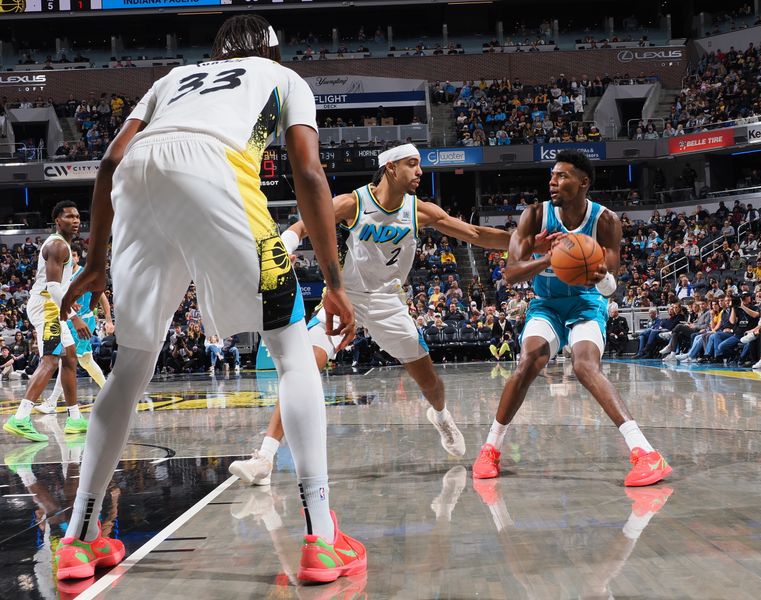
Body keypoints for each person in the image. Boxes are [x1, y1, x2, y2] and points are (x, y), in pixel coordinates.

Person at [54, 15, 363, 585]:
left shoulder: (174, 77)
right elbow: (310, 173)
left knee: (130, 368)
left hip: (139, 180)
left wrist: (96, 262)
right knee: (293, 353)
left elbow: (109, 163)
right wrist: (335, 281)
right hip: (215, 167)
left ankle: (76, 540)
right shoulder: (281, 76)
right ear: (273, 47)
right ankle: (322, 536)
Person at [228, 143, 511, 486]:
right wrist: (286, 244)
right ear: (391, 168)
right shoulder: (354, 203)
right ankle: (265, 458)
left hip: (389, 303)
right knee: (305, 367)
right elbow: (306, 224)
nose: (419, 171)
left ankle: (440, 416)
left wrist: (525, 243)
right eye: (412, 164)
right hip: (346, 299)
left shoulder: (419, 211)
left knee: (431, 384)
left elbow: (477, 234)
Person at [471, 150, 671, 487]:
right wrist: (548, 257)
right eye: (552, 175)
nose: (553, 181)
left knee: (584, 365)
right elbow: (510, 273)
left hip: (585, 303)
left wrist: (597, 273)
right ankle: (490, 448)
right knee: (528, 360)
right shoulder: (534, 215)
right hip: (546, 304)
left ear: (583, 182)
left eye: (562, 175)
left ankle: (646, 453)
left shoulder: (606, 220)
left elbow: (610, 287)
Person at [3, 201, 90, 443]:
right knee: (51, 360)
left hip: (53, 306)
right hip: (47, 308)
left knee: (70, 357)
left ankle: (74, 419)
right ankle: (20, 418)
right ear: (57, 221)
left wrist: (69, 301)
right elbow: (51, 287)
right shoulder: (56, 246)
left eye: (77, 216)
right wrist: (74, 316)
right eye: (69, 216)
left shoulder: (65, 245)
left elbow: (57, 285)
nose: (75, 220)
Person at [37, 248, 113, 412]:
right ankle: (109, 391)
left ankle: (52, 402)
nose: (71, 258)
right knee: (86, 361)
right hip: (67, 321)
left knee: (67, 359)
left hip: (83, 321)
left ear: (78, 258)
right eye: (68, 256)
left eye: (74, 255)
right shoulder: (59, 276)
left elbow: (102, 298)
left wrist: (108, 320)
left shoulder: (85, 274)